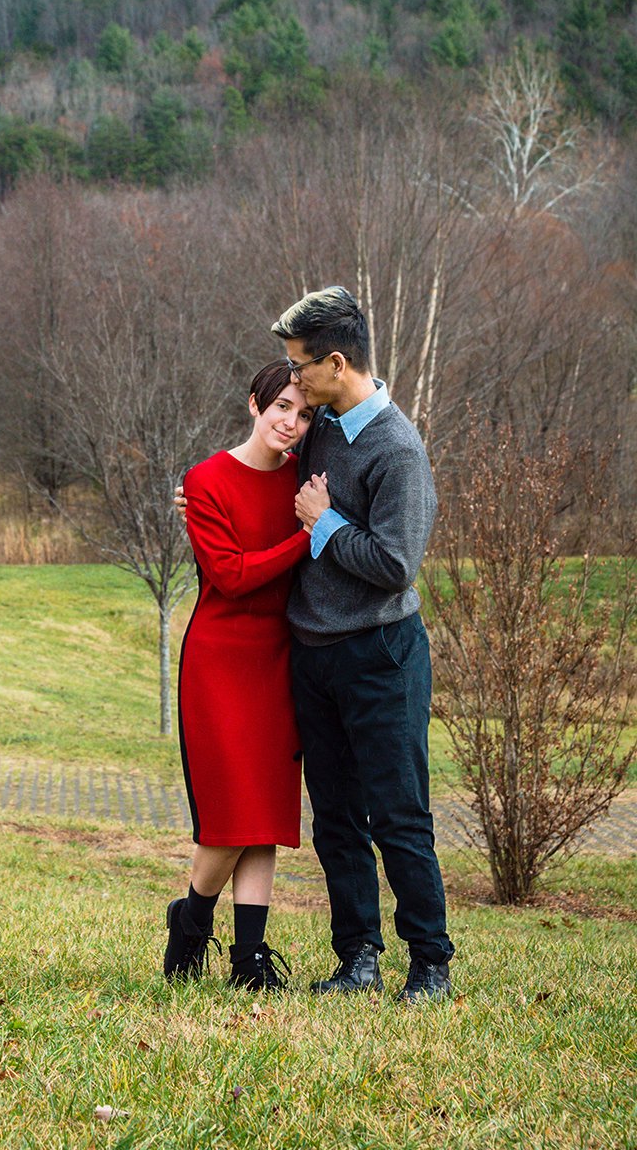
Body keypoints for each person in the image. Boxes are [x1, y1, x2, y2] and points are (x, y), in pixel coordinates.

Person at [274, 286, 454, 1002]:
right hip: (315, 658)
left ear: (338, 363)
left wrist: (323, 523)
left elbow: (393, 565)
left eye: (299, 369)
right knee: (337, 819)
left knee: (398, 815)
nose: (293, 381)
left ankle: (430, 966)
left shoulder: (398, 450)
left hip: (381, 656)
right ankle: (357, 960)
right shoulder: (321, 426)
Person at [164, 360, 322, 992]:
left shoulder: (306, 486)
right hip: (220, 661)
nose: (291, 421)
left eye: (305, 413)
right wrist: (309, 535)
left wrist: (316, 519)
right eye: (281, 405)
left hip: (279, 660)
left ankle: (249, 958)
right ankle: (192, 918)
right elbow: (230, 576)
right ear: (255, 405)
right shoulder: (205, 480)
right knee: (231, 813)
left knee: (266, 813)